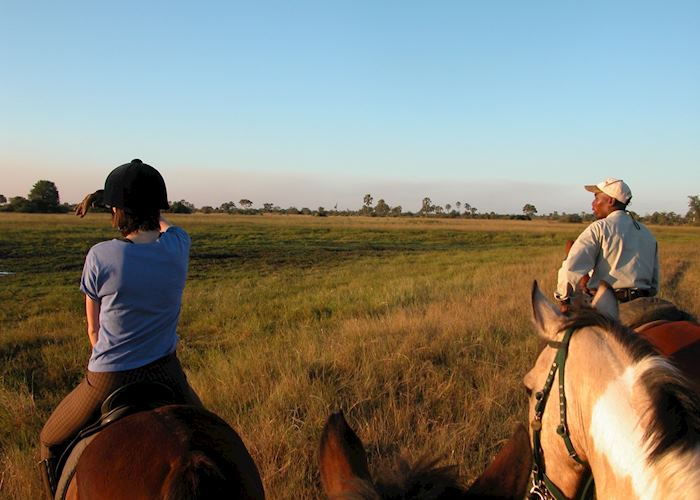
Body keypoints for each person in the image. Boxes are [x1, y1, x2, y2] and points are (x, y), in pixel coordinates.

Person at [39, 159, 202, 498]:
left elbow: (94, 333)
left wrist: (106, 196)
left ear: (117, 211)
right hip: (166, 372)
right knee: (206, 436)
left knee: (49, 440)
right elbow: (164, 225)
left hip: (110, 377)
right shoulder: (179, 246)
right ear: (157, 207)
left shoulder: (101, 255)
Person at [555, 177, 659, 308]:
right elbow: (654, 284)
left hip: (607, 304)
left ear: (610, 201)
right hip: (644, 303)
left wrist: (563, 298)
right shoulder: (646, 233)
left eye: (597, 198)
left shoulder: (599, 228)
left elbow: (571, 268)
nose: (593, 204)